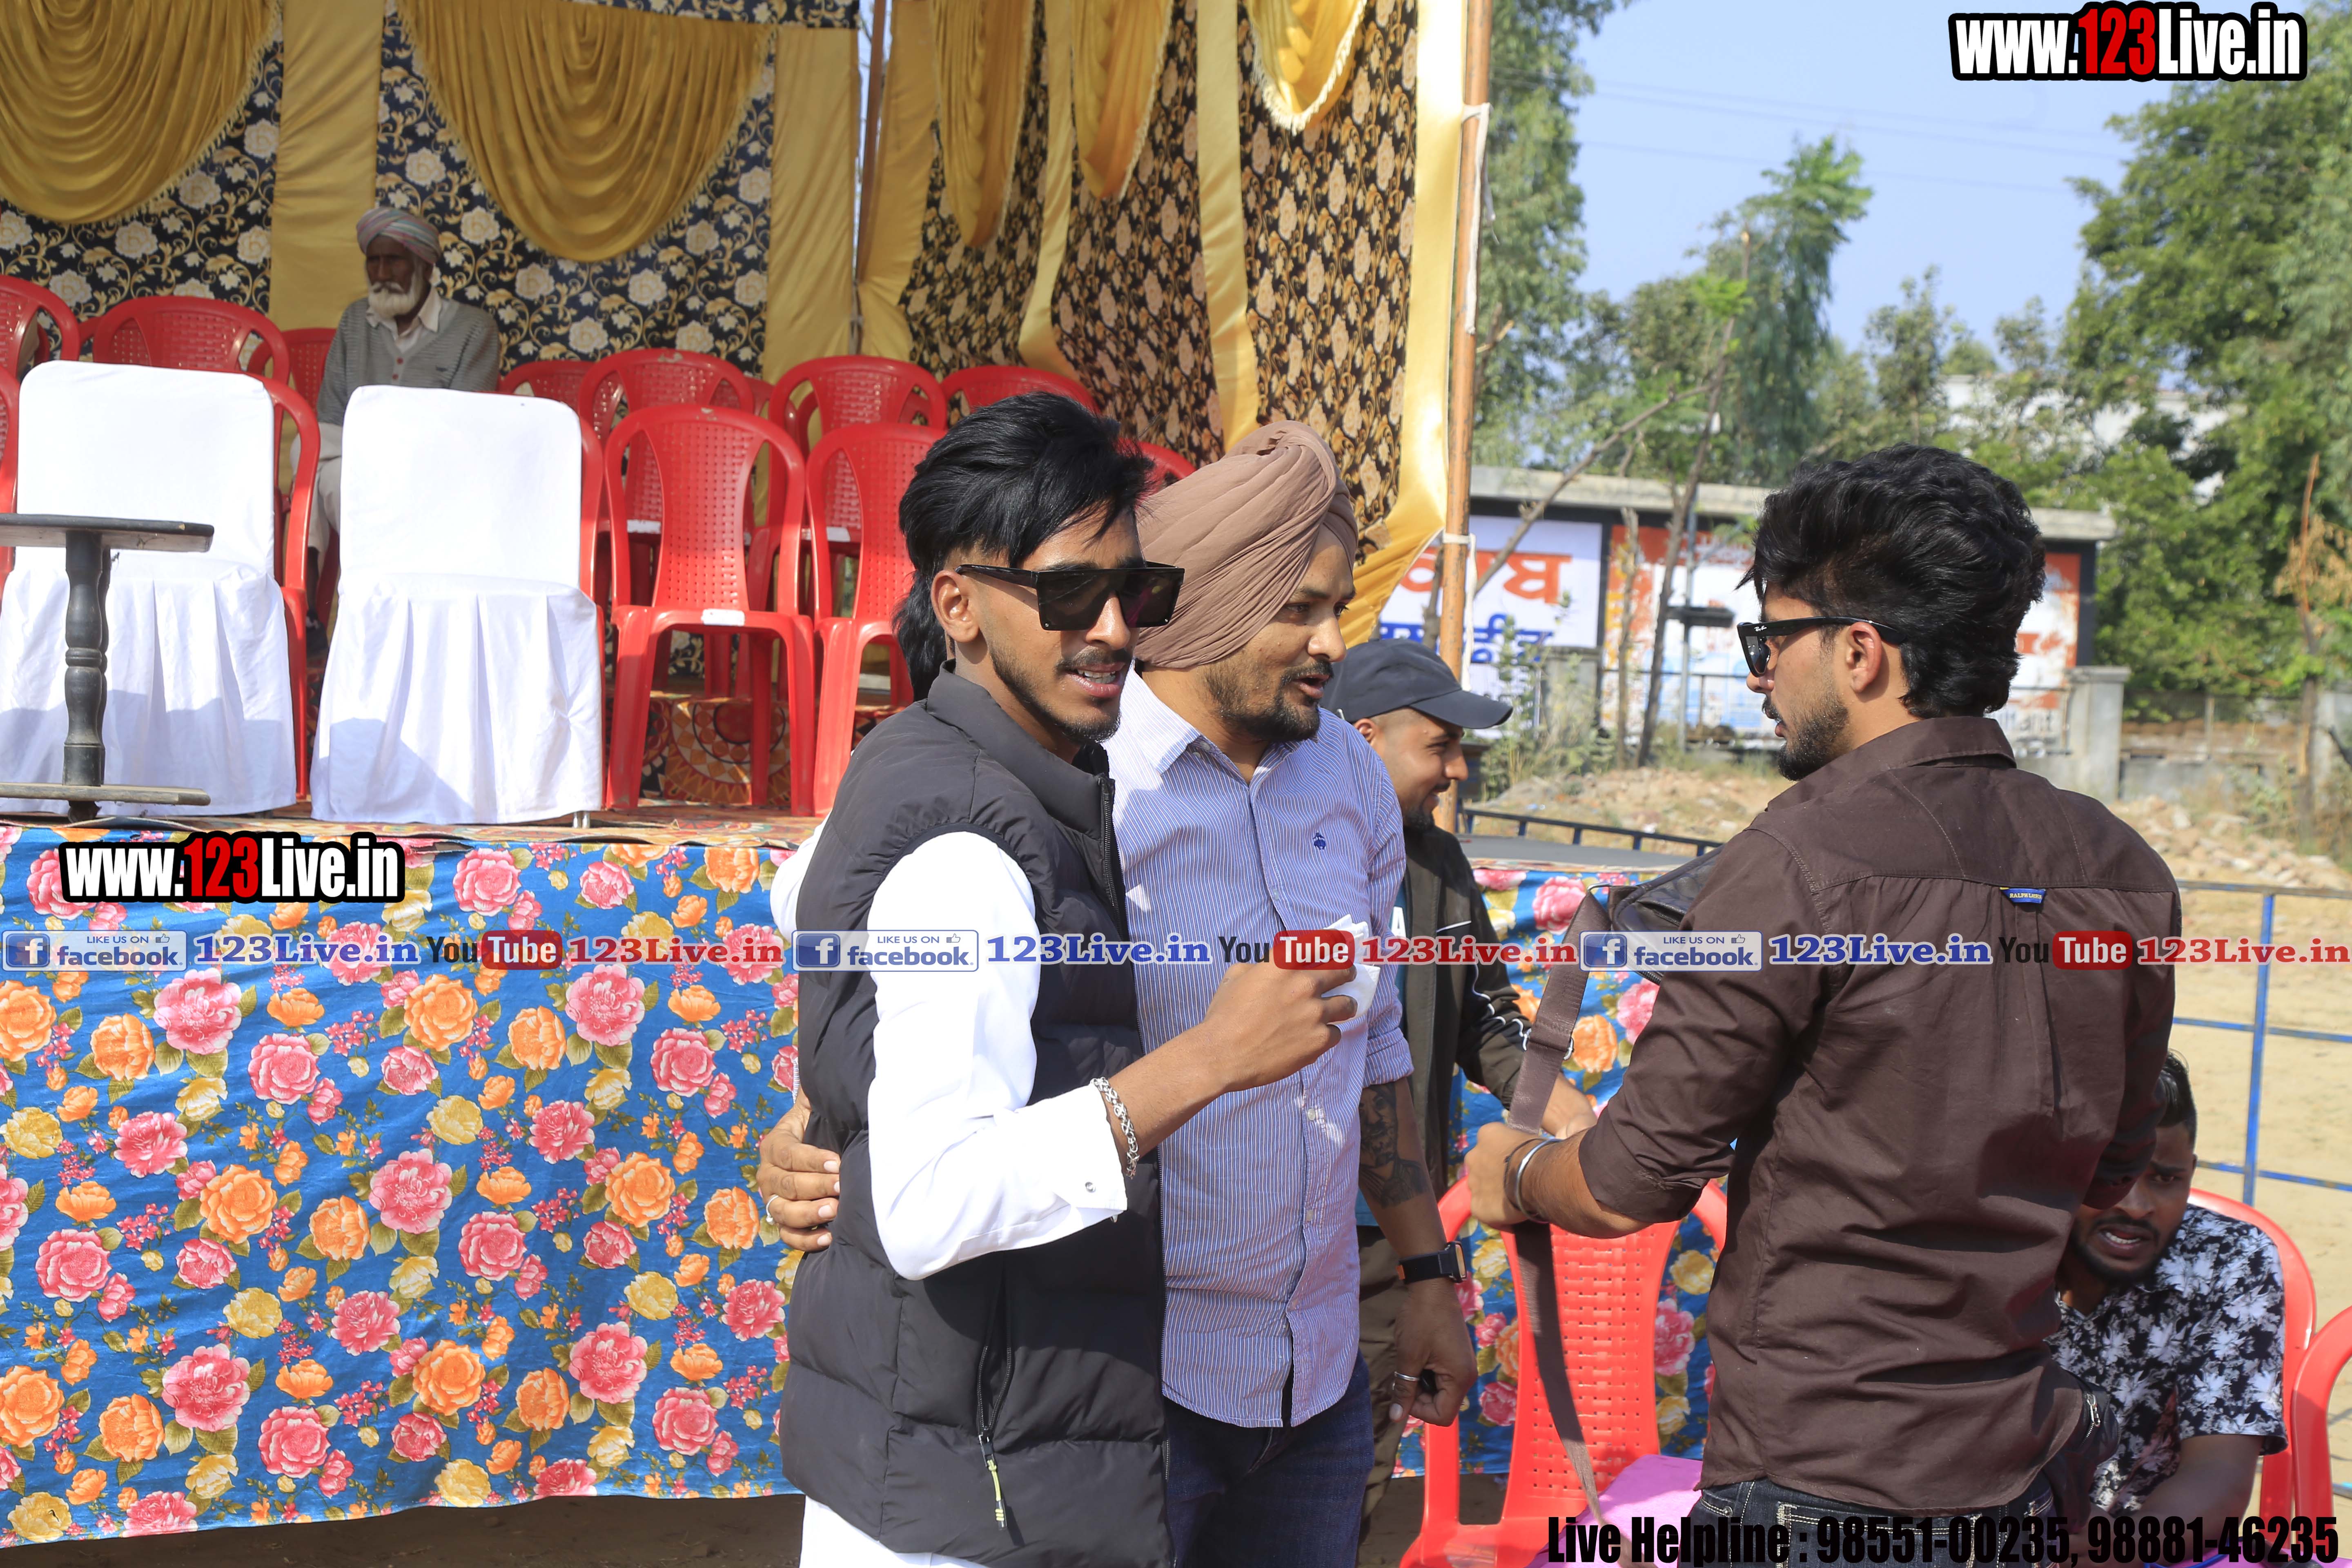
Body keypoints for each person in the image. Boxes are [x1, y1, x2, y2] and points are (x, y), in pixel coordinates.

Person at [764, 421, 1476, 1568]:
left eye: (1339, 609)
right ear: (1218, 603)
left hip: (1315, 1373)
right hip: (1136, 1385)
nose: (1331, 645)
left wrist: (1428, 1272)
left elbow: (1376, 1041)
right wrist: (819, 1123)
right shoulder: (1073, 769)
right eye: (1298, 609)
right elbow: (854, 926)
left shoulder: (1347, 775)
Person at [1467, 444, 2179, 1533]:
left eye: (1770, 639)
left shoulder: (1797, 859)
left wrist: (1515, 1171)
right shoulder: (2121, 871)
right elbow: (2115, 1163)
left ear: (1858, 652)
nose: (1760, 675)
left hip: (1816, 1479)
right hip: (2020, 1474)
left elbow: (1626, 1184)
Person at [1322, 638, 1579, 1533]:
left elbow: (1483, 1014)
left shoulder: (1438, 866)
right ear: (1363, 739)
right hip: (1267, 1232)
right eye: (1440, 745)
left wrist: (1551, 1097)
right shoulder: (1272, 852)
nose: (1459, 769)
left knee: (1352, 1473)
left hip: (1390, 1243)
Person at [2052, 1054, 2286, 1535]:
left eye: (2165, 1178)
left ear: (2191, 1173)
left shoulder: (2228, 1261)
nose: (2136, 1206)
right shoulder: (2002, 1250)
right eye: (2111, 1175)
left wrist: (2120, 1550)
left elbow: (2219, 1475)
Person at [308, 207, 500, 560]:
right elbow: (332, 414)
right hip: (359, 456)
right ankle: (363, 561)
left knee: (329, 472)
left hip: (431, 464)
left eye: (394, 261)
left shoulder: (474, 329)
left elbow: (467, 428)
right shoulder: (355, 320)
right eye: (374, 261)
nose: (382, 274)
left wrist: (397, 446)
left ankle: (332, 568)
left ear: (425, 267)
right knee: (310, 449)